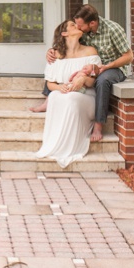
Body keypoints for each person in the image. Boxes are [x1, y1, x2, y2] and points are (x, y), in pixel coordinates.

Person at [44, 4, 133, 142]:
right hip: (92, 66)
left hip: (114, 68)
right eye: (76, 25)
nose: (78, 28)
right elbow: (68, 45)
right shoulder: (84, 33)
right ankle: (48, 98)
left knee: (103, 80)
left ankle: (98, 124)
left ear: (92, 23)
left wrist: (107, 66)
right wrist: (52, 50)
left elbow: (129, 57)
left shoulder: (113, 29)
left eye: (80, 26)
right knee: (59, 66)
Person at [34, 20, 101, 168]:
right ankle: (56, 142)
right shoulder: (56, 55)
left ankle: (71, 145)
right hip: (65, 92)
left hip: (86, 96)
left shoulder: (90, 51)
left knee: (71, 98)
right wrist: (61, 88)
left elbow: (93, 82)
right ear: (64, 33)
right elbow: (50, 84)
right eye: (72, 25)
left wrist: (83, 79)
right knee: (54, 96)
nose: (77, 25)